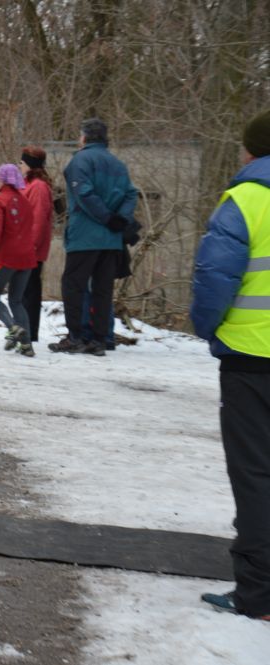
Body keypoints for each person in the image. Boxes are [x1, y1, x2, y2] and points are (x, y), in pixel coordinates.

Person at [191, 109, 270, 622]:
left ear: (251, 151)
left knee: (256, 474)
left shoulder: (245, 199)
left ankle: (259, 595)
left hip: (252, 359)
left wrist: (207, 327)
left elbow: (215, 276)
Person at [48, 118, 138, 357]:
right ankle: (99, 339)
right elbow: (131, 194)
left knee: (73, 285)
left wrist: (108, 217)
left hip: (85, 236)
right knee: (103, 288)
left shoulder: (80, 161)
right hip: (111, 240)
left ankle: (75, 336)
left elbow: (84, 194)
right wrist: (121, 218)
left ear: (84, 137)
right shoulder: (118, 164)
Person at [0, 163, 37, 356]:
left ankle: (12, 327)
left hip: (5, 258)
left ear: (2, 179)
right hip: (27, 258)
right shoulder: (26, 202)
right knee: (16, 301)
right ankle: (26, 345)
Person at [19, 146, 54, 343]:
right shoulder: (29, 185)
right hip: (25, 247)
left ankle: (30, 332)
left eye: (22, 163)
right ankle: (25, 329)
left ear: (30, 166)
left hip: (31, 249)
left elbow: (38, 220)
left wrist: (30, 246)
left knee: (29, 291)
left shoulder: (38, 187)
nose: (19, 166)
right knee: (24, 291)